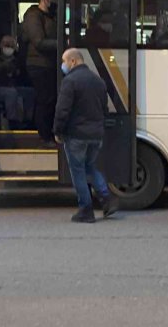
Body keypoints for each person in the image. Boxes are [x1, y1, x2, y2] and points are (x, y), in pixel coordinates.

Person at [53, 48, 118, 223]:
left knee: (78, 172)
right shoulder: (98, 81)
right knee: (91, 167)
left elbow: (62, 110)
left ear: (73, 61)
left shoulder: (70, 81)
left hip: (76, 135)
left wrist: (58, 131)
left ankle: (86, 210)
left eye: (64, 61)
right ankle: (107, 200)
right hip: (96, 134)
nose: (63, 65)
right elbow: (104, 109)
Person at [23, 0, 58, 144]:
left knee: (51, 99)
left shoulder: (51, 17)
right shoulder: (33, 15)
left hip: (49, 64)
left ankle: (48, 133)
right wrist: (62, 43)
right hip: (38, 64)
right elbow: (39, 42)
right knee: (45, 99)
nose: (55, 2)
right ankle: (44, 136)